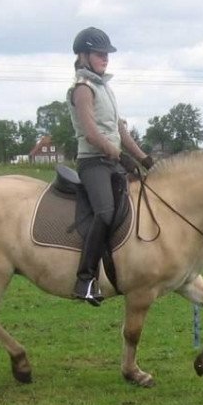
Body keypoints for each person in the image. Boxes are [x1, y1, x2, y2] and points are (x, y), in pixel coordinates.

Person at [66, 27, 154, 307]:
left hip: (111, 161)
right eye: (99, 54)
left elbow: (120, 129)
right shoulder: (83, 89)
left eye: (106, 54)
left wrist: (144, 158)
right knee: (104, 213)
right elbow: (92, 134)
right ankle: (85, 279)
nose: (105, 58)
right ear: (83, 56)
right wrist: (118, 156)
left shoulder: (105, 87)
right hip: (93, 163)